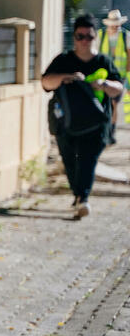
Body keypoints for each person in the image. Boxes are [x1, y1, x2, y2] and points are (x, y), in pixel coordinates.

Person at [42, 14, 124, 218]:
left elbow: (118, 87)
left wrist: (104, 85)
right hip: (66, 125)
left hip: (96, 125)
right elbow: (45, 82)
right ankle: (78, 195)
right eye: (80, 36)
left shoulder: (103, 61)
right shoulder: (64, 60)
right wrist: (66, 78)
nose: (85, 41)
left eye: (89, 36)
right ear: (75, 38)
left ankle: (83, 198)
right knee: (70, 162)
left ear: (95, 37)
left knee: (87, 160)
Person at [99, 9, 130, 139]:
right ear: (109, 24)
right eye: (113, 25)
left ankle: (111, 131)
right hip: (103, 75)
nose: (115, 27)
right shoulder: (100, 35)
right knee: (104, 104)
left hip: (120, 76)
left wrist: (128, 76)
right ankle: (104, 129)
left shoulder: (125, 35)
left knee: (114, 103)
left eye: (117, 24)